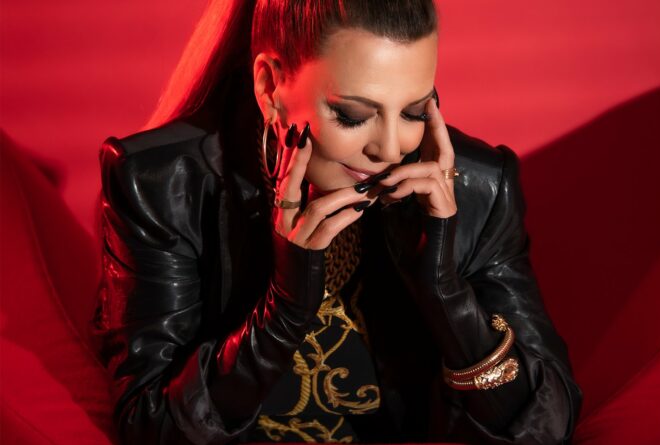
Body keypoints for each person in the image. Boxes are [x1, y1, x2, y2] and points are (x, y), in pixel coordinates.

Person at [88, 0, 583, 443]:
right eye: (352, 115)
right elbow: (151, 428)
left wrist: (446, 294)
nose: (390, 149)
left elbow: (547, 424)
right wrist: (282, 314)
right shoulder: (161, 185)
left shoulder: (476, 188)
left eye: (415, 111)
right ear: (270, 87)